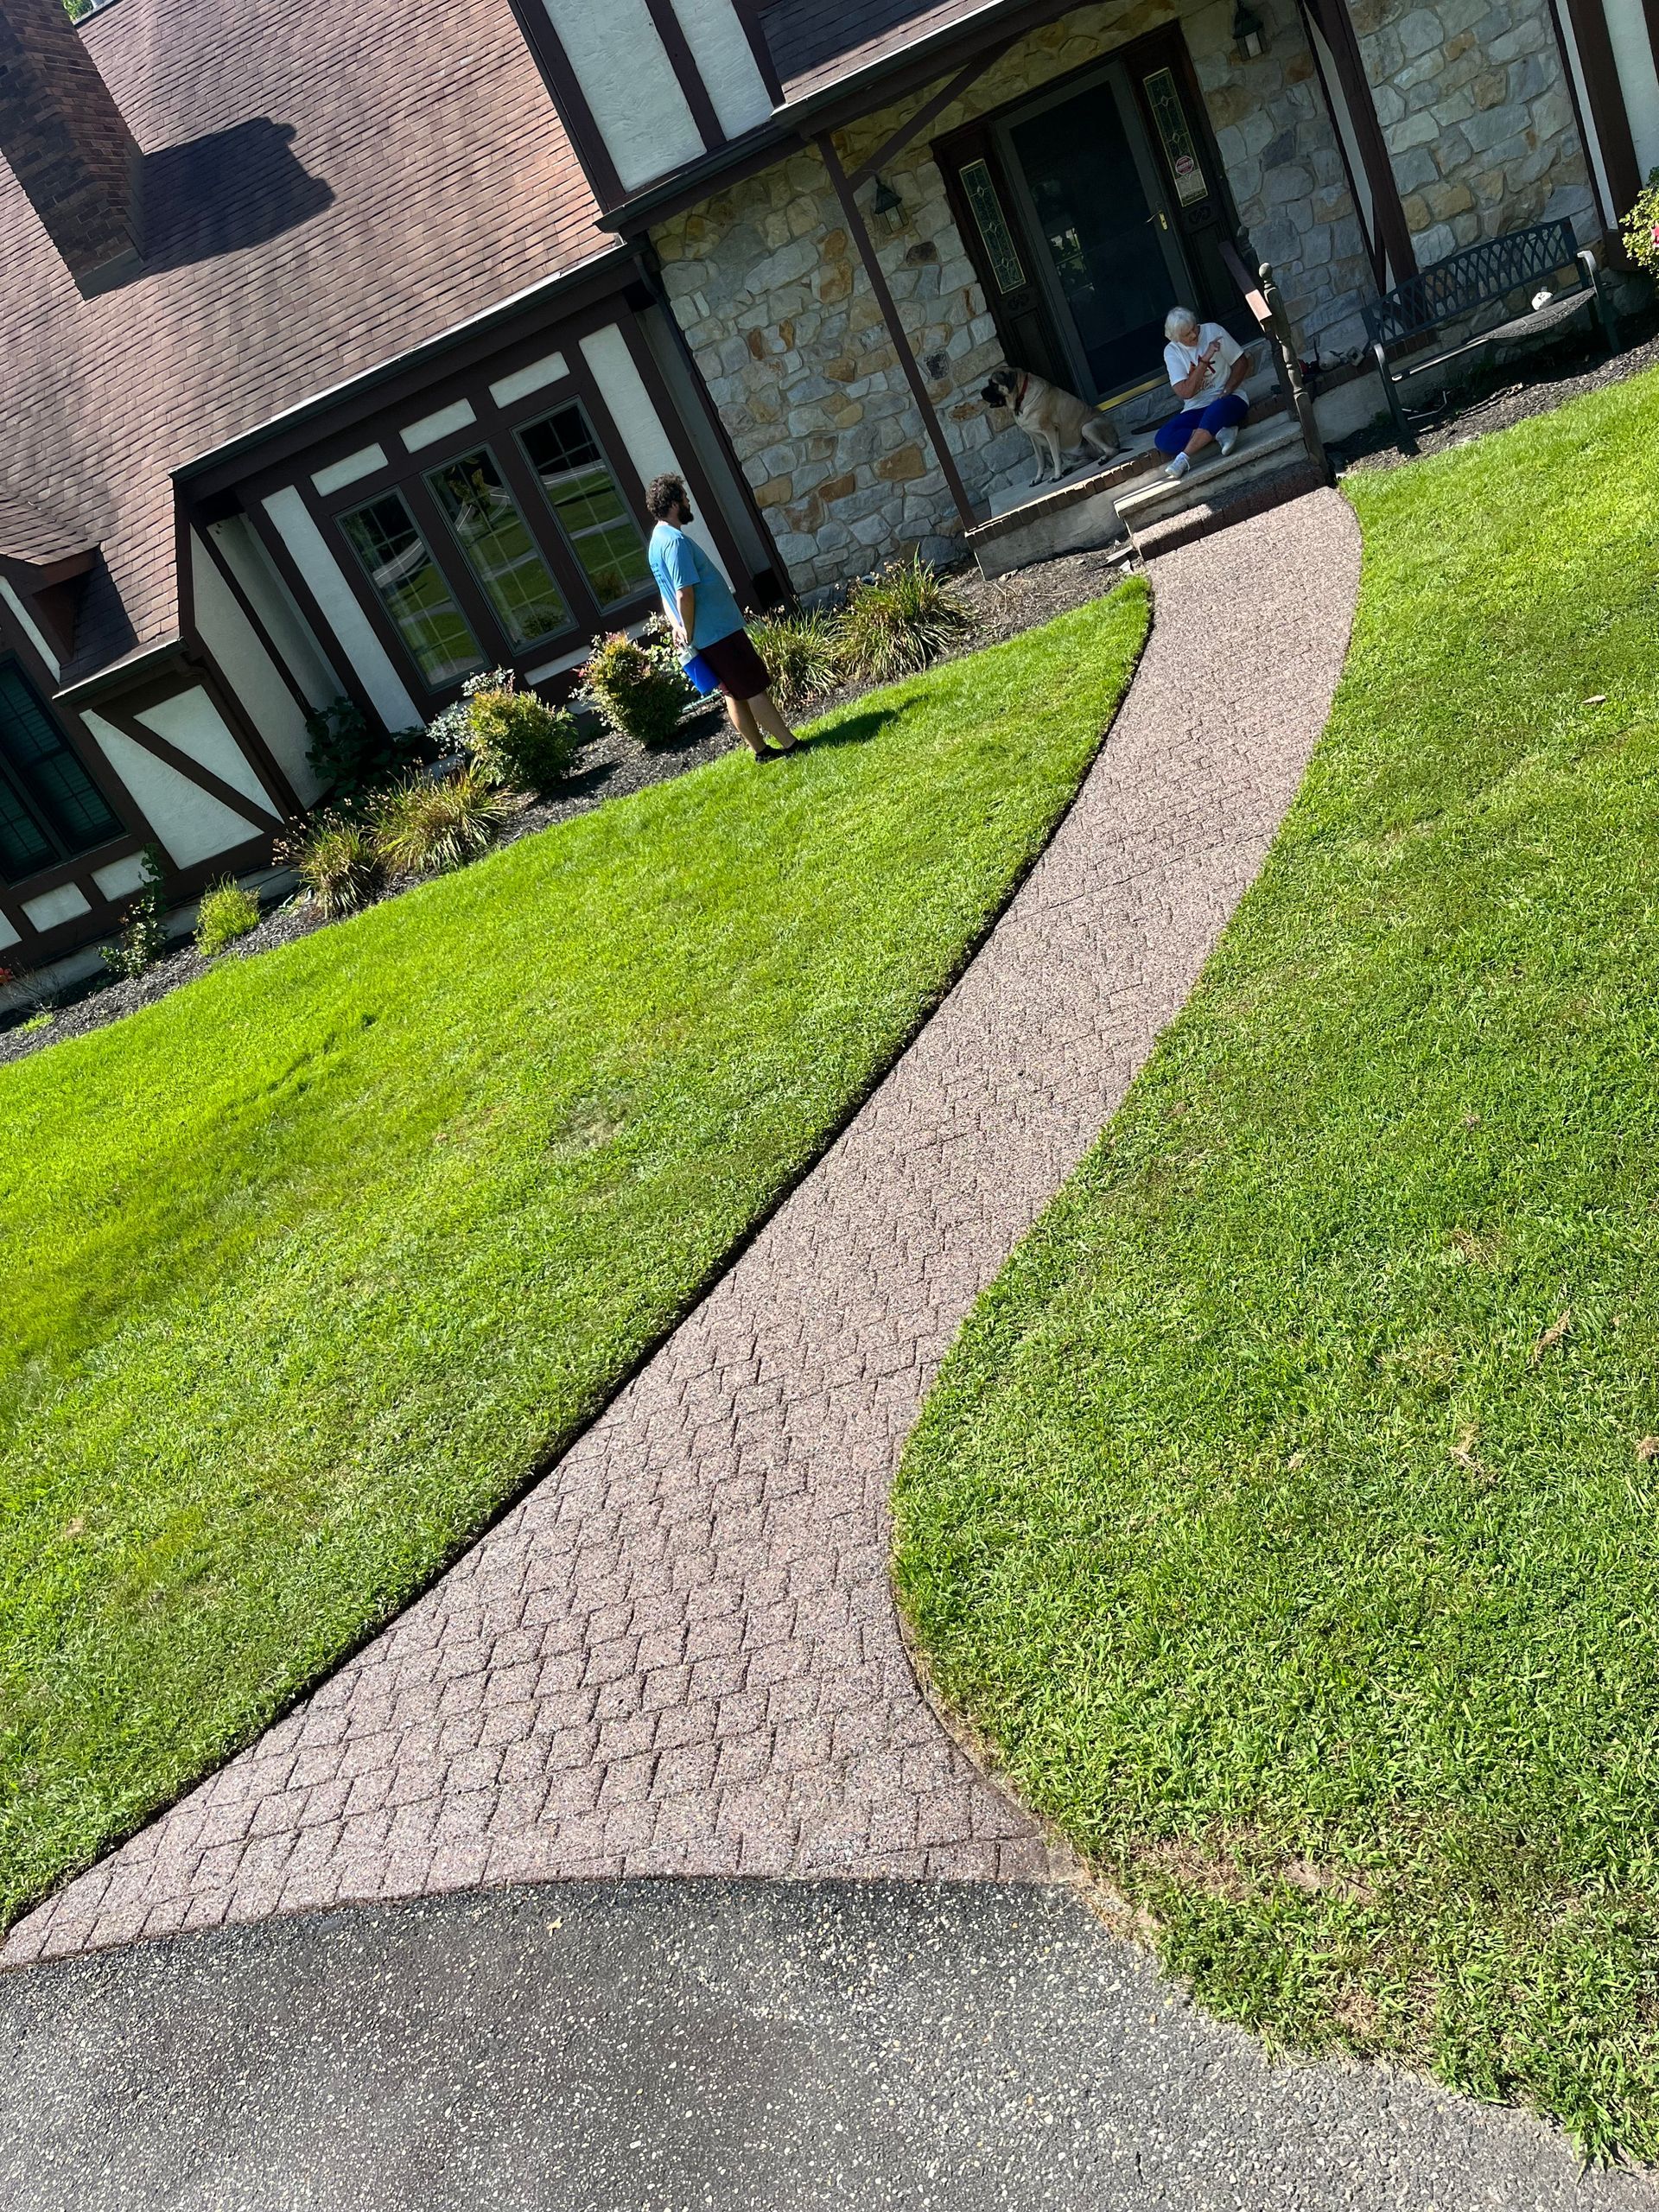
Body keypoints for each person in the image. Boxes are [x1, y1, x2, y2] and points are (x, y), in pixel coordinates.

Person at [644, 474, 799, 760]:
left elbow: (664, 595)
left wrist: (678, 626)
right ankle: (791, 745)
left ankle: (762, 752)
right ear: (674, 503)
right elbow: (682, 594)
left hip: (708, 634)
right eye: (684, 496)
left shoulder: (656, 542)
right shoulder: (674, 542)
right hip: (718, 632)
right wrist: (687, 630)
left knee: (733, 692)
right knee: (752, 688)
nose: (688, 501)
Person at [1155, 307, 1252, 480]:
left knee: (1217, 409)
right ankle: (1219, 431)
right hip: (1197, 407)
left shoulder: (1213, 330)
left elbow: (1241, 363)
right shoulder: (1172, 351)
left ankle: (1183, 459)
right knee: (1163, 438)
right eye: (1187, 334)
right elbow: (1185, 392)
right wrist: (1204, 360)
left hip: (1229, 399)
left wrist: (1227, 390)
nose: (1194, 335)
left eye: (1194, 328)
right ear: (1176, 338)